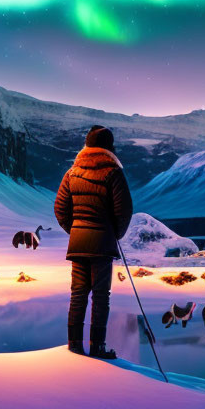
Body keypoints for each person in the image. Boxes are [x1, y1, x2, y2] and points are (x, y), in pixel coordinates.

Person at [54, 125, 133, 358]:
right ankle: (97, 347)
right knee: (100, 296)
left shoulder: (71, 172)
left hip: (78, 244)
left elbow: (60, 209)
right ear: (110, 148)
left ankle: (75, 345)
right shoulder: (113, 172)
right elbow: (124, 210)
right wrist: (113, 234)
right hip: (102, 245)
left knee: (78, 293)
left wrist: (76, 229)